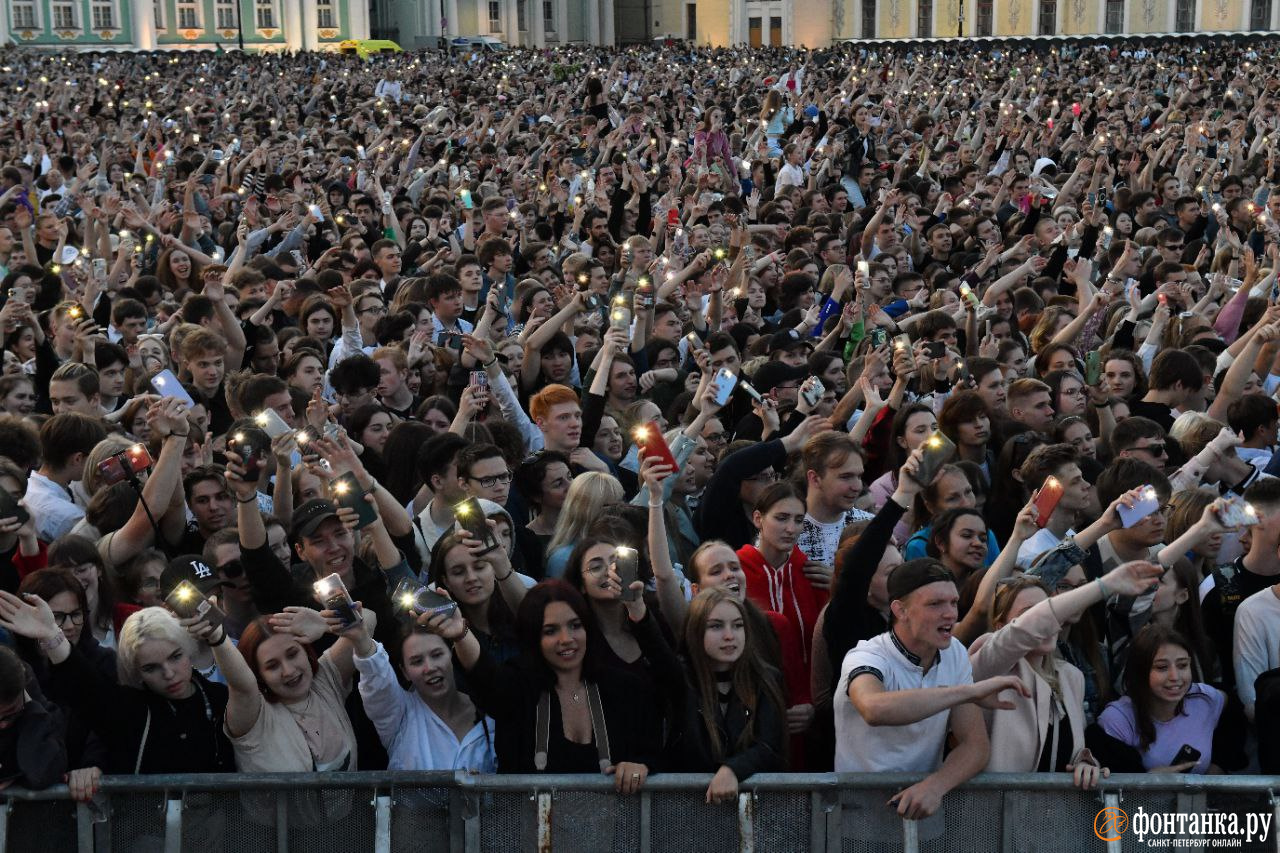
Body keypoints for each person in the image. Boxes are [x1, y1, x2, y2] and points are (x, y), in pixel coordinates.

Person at [421, 580, 668, 787]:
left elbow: (651, 750)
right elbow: (486, 678)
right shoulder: (519, 684)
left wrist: (641, 765)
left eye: (575, 625)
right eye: (550, 631)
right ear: (533, 637)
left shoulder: (625, 688)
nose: (566, 639)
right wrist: (460, 634)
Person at [835, 558, 1029, 818]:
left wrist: (936, 786)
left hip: (923, 813)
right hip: (858, 819)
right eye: (935, 604)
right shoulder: (867, 655)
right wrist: (969, 691)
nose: (950, 614)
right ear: (900, 610)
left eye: (953, 602)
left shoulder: (955, 653)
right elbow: (874, 709)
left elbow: (975, 745)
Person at [968, 560, 1162, 787]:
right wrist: (1104, 585)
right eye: (1029, 614)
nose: (1046, 624)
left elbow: (1070, 750)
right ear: (1001, 625)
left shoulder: (1071, 677)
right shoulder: (987, 663)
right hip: (995, 815)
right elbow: (1023, 632)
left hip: (1057, 818)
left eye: (1050, 610)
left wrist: (1084, 762)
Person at [666, 588, 787, 803]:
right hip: (685, 808)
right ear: (696, 630)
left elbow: (769, 746)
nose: (730, 635)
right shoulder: (679, 679)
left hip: (753, 810)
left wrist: (733, 769)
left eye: (738, 625)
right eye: (716, 626)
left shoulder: (766, 678)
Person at [354, 620, 497, 772]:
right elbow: (377, 681)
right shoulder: (399, 714)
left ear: (453, 656)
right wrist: (361, 638)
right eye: (417, 662)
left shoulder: (490, 710)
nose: (429, 668)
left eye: (437, 655)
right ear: (404, 672)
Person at [1088, 625, 1227, 774]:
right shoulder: (1117, 719)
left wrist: (1218, 766)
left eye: (1182, 665)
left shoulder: (1205, 699)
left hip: (1196, 798)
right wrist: (1150, 782)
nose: (1175, 677)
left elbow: (1233, 712)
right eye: (1162, 667)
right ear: (1140, 671)